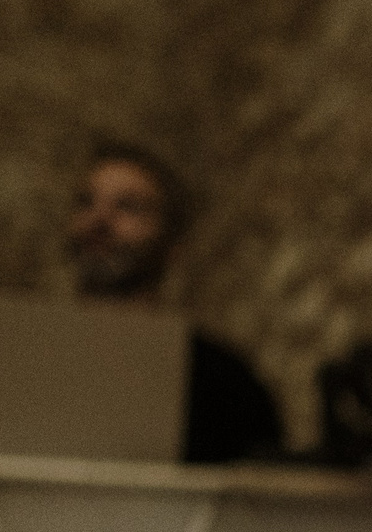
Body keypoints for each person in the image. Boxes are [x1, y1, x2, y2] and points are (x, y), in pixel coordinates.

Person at [66, 141, 285, 464]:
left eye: (128, 207)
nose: (99, 219)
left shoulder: (224, 384)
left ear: (173, 245)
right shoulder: (23, 357)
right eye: (86, 202)